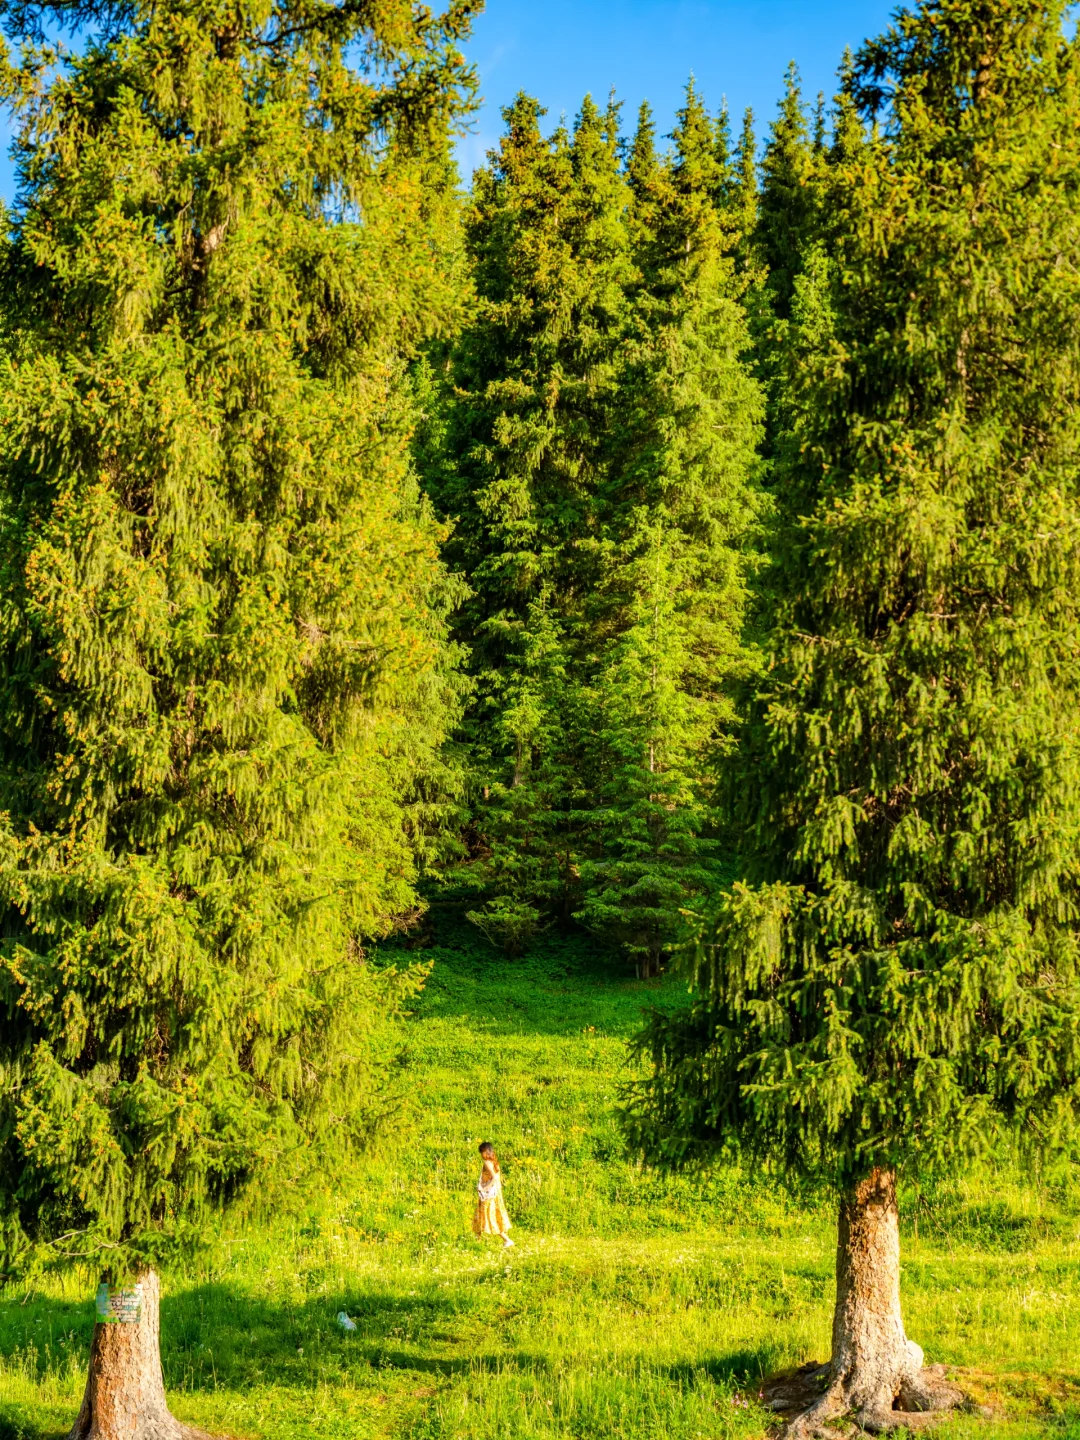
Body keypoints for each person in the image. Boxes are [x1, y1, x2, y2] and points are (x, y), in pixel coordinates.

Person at [472, 1141, 514, 1248]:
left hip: (488, 1196)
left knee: (488, 1217)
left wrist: (483, 1188)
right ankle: (477, 1241)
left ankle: (507, 1240)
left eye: (481, 1152)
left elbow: (495, 1178)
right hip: (494, 1195)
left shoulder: (487, 1162)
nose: (481, 1154)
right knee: (481, 1216)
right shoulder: (494, 1162)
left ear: (486, 1151)